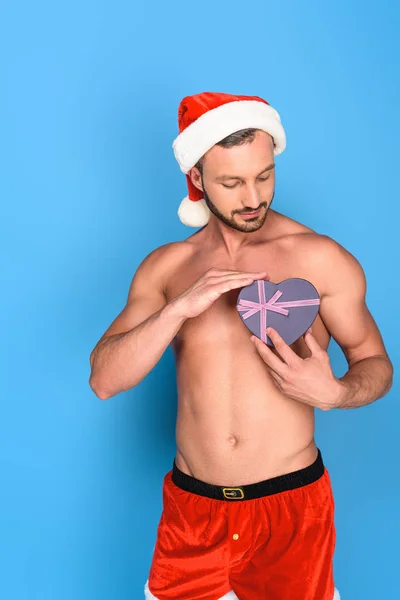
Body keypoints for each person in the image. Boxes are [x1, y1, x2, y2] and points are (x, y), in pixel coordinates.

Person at [89, 92, 393, 600]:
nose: (253, 197)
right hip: (193, 513)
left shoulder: (320, 259)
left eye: (264, 175)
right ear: (197, 180)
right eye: (232, 182)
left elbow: (375, 362)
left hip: (291, 510)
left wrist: (337, 392)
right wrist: (177, 310)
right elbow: (104, 379)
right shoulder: (166, 268)